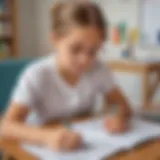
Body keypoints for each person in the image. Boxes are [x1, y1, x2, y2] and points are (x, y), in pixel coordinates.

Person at [1, 1, 131, 152]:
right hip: (43, 148)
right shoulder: (38, 74)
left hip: (84, 146)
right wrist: (46, 136)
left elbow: (122, 105)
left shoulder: (98, 70)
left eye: (93, 51)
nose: (85, 60)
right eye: (76, 49)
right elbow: (6, 126)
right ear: (55, 39)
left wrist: (118, 117)